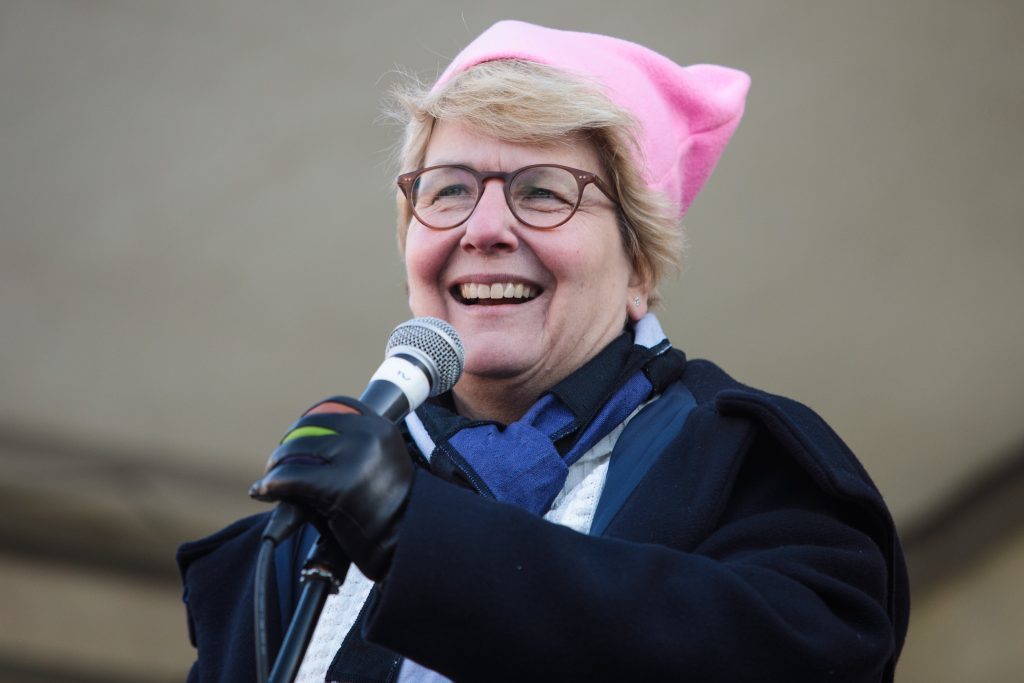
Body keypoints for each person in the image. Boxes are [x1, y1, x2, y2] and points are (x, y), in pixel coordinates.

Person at [177, 20, 909, 682]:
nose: (484, 227)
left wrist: (416, 535)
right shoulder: (283, 551)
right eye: (449, 190)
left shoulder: (745, 462)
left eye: (543, 192)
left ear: (640, 264)